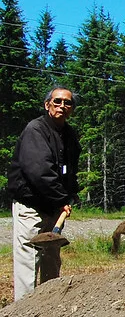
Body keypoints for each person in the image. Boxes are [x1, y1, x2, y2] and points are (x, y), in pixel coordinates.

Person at [8, 87, 80, 301]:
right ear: (47, 104)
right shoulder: (35, 130)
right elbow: (39, 171)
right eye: (57, 101)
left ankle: (48, 306)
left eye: (68, 103)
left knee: (51, 256)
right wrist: (62, 198)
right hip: (31, 206)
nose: (62, 106)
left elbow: (70, 170)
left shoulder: (69, 135)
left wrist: (70, 194)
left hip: (54, 207)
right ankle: (24, 311)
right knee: (29, 259)